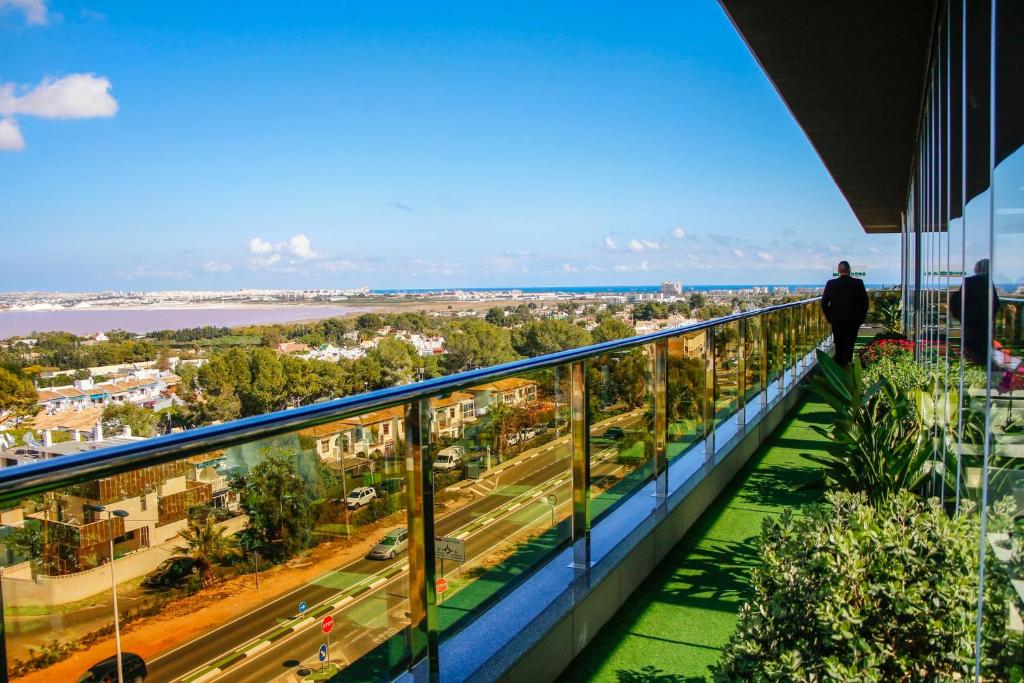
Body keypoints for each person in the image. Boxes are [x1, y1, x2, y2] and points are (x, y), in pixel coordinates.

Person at [950, 258, 1000, 365]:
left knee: (972, 354)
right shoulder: (988, 282)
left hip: (970, 326)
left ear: (976, 269)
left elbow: (959, 303)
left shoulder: (969, 282)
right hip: (984, 327)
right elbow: (995, 304)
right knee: (982, 355)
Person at [821, 261, 869, 367]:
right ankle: (847, 365)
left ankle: (839, 368)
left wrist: (830, 317)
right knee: (850, 345)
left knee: (839, 344)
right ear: (849, 270)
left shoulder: (831, 283)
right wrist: (861, 318)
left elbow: (824, 303)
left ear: (839, 271)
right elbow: (865, 303)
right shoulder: (858, 283)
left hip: (837, 321)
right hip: (853, 321)